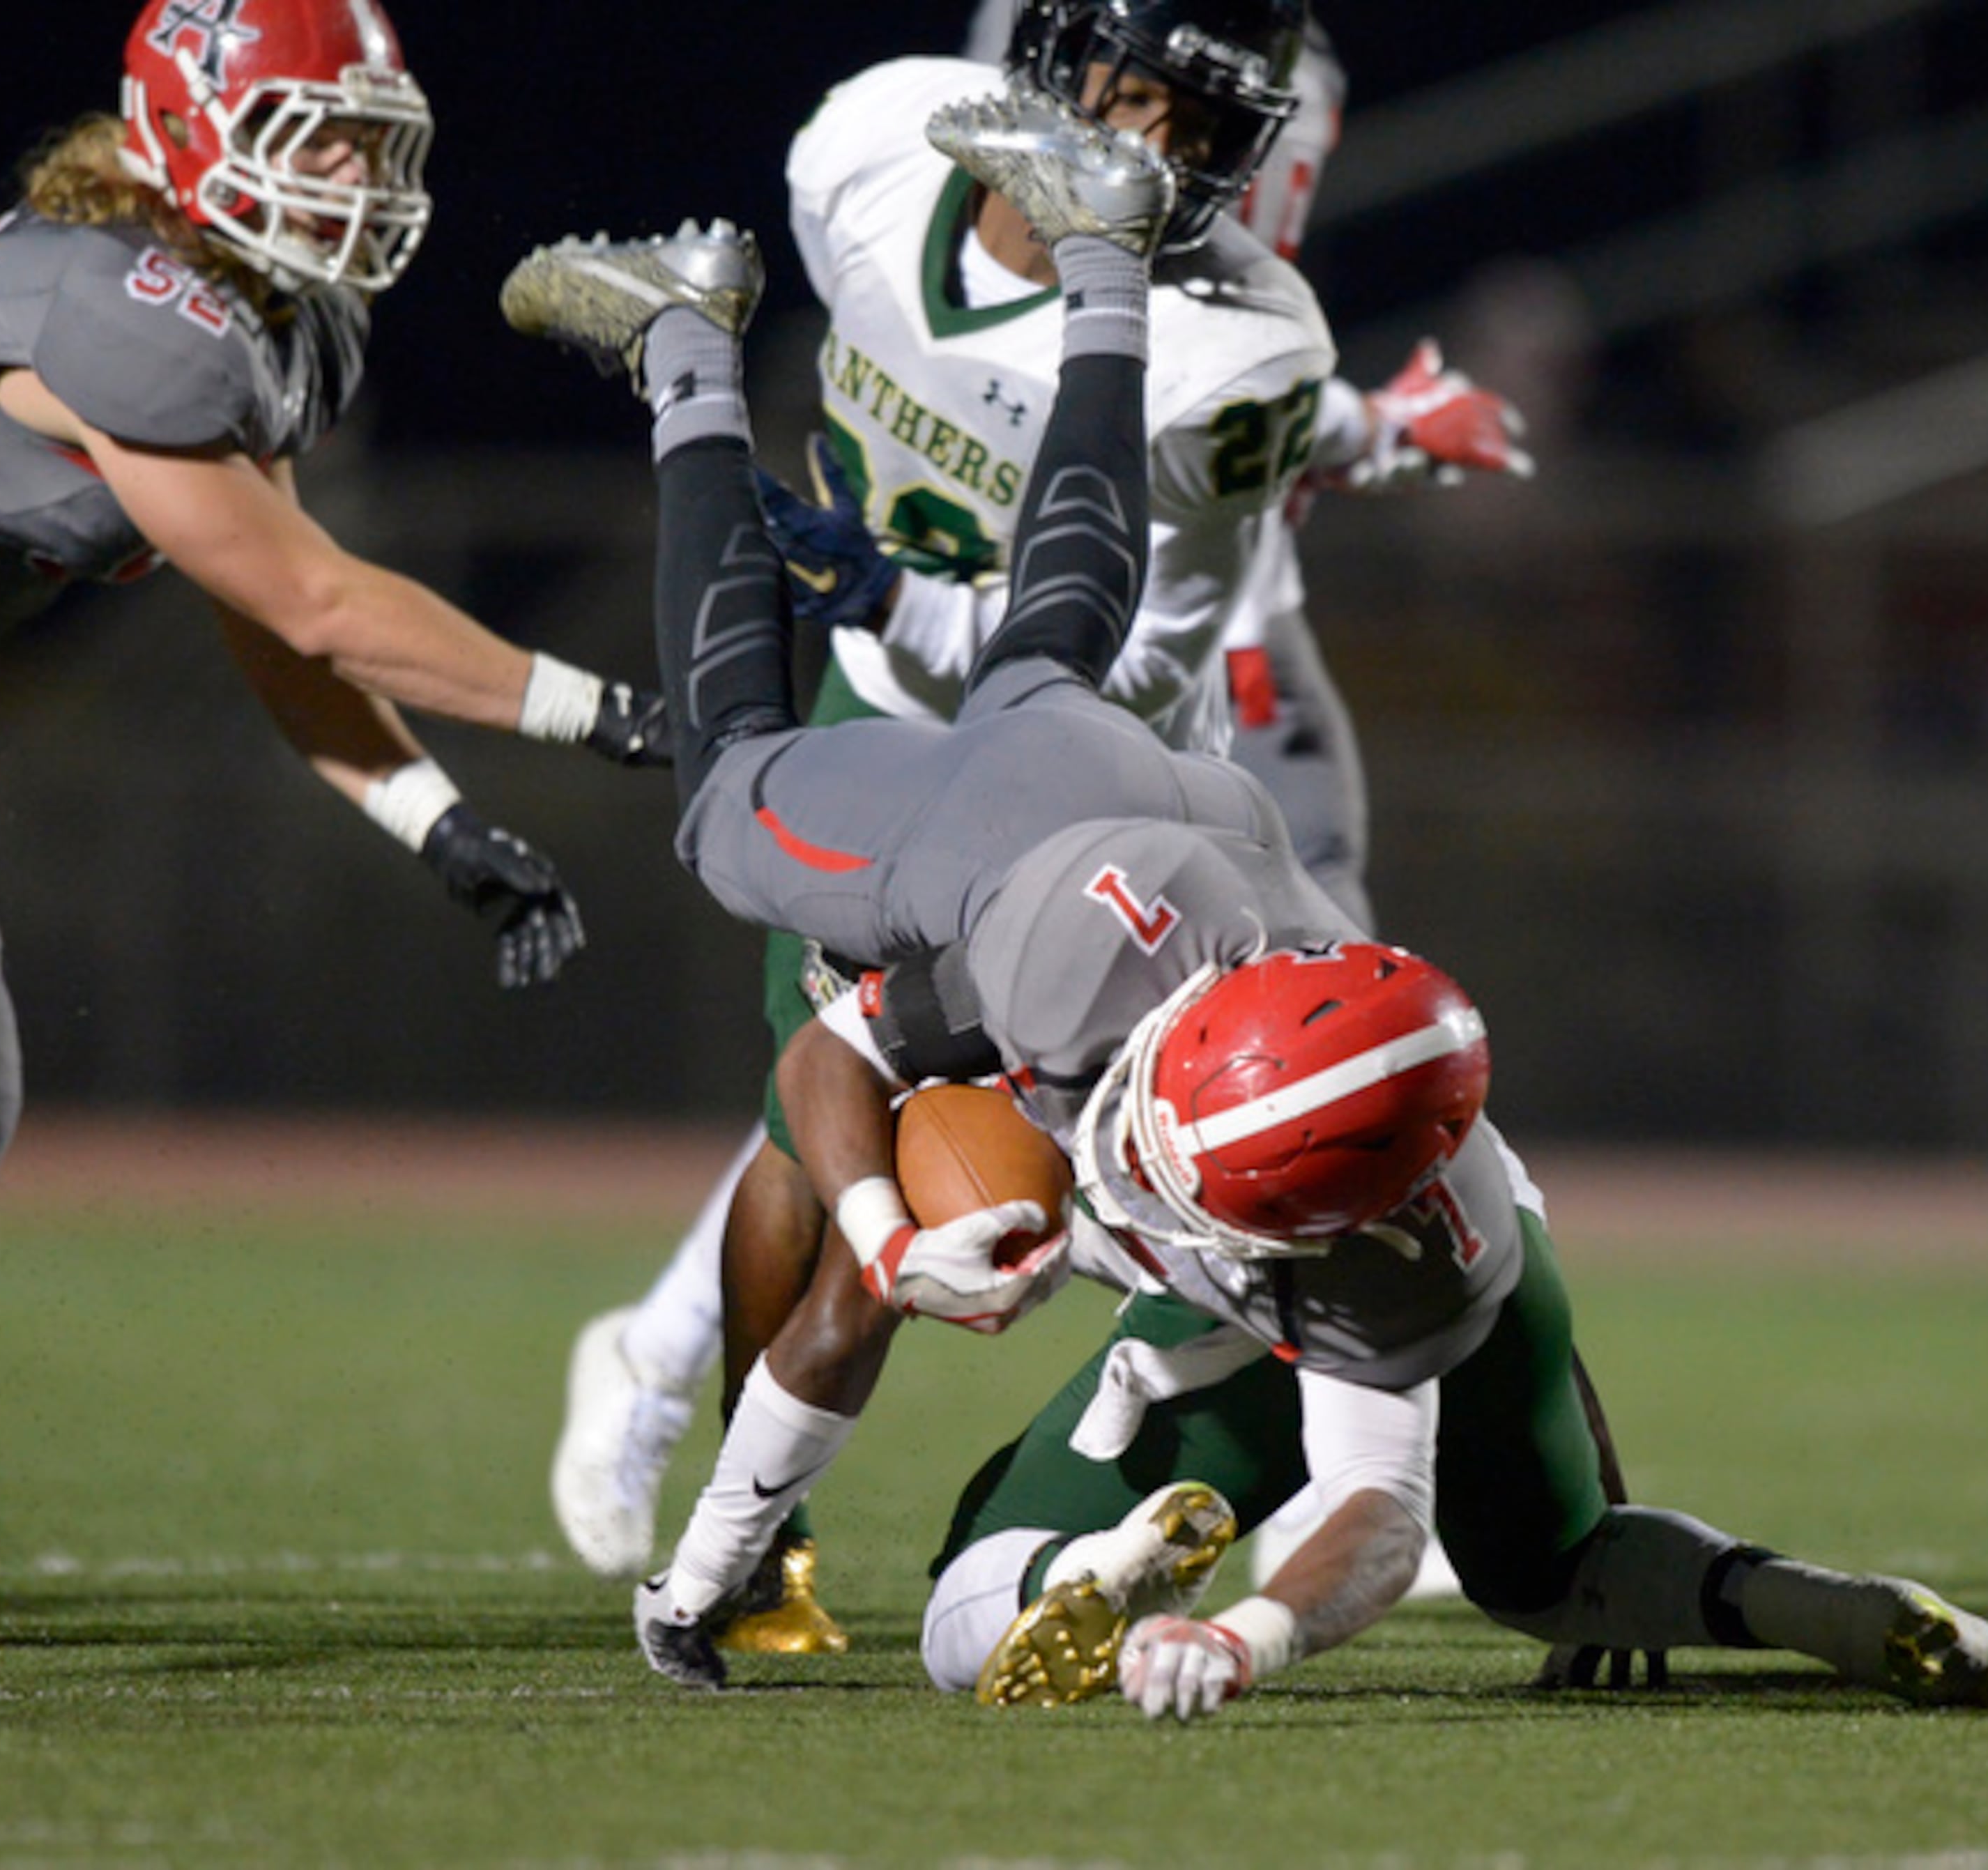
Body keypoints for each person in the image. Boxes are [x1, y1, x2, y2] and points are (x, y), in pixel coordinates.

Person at [505, 91, 1988, 1715]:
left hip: (1205, 902)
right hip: (1054, 835)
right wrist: (885, 1242)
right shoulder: (1064, 969)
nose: (1152, 1187)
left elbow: (1381, 1513)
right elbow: (835, 1056)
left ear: (1335, 1212)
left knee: (1061, 624)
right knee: (733, 806)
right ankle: (692, 347)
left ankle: (1829, 1611)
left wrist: (1247, 1633)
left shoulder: (1394, 1235)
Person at [544, 0, 1528, 1637]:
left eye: (1205, 130)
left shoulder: (1243, 339)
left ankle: (683, 361)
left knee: (1165, 1138)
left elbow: (1146, 639)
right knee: (830, 1128)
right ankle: (734, 1483)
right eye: (1137, 102)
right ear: (1050, 65)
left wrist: (890, 593)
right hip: (950, 728)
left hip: (1082, 795)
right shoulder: (878, 141)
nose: (1166, 149)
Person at [0, 0, 659, 1632]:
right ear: (193, 128)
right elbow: (325, 603)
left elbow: (270, 618)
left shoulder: (264, 313)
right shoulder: (120, 301)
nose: (354, 176)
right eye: (317, 134)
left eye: (375, 143)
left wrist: (432, 817)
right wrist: (602, 709)